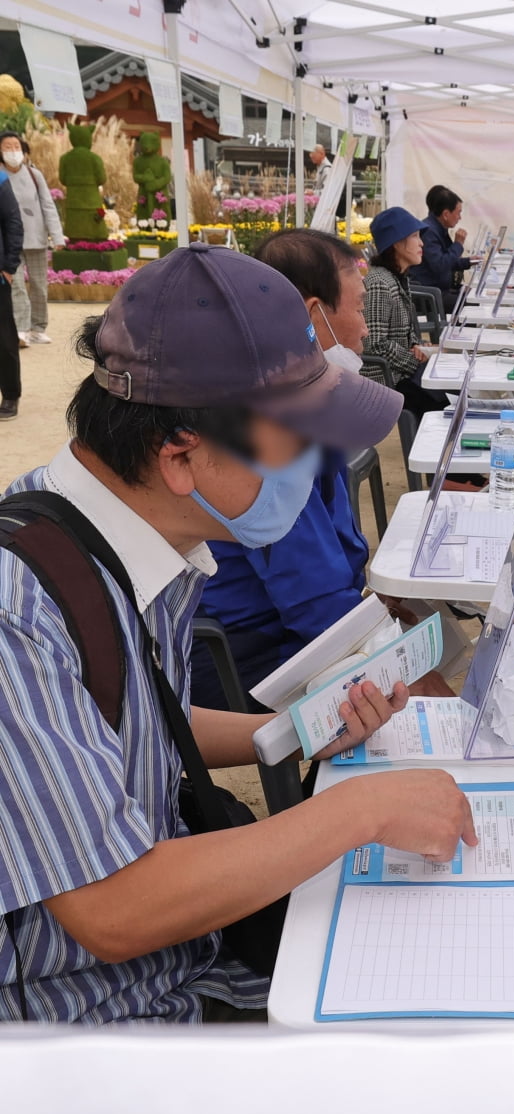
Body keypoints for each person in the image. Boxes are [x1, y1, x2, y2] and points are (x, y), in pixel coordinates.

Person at [0, 244, 477, 1023]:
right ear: (183, 454)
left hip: (190, 962)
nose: (316, 460)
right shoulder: (18, 607)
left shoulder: (127, 535)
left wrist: (290, 728)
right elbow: (114, 908)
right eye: (297, 436)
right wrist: (357, 812)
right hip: (93, 1026)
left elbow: (127, 724)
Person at [188, 228, 371, 707]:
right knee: (390, 700)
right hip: (237, 651)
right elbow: (315, 602)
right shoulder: (267, 422)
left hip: (270, 625)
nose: (366, 327)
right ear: (314, 315)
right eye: (359, 308)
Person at [362, 205, 446, 418]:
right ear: (397, 243)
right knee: (448, 403)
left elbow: (399, 335)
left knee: (456, 390)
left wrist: (418, 348)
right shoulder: (379, 282)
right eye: (416, 236)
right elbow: (375, 344)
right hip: (391, 380)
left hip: (403, 372)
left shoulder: (396, 277)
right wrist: (415, 359)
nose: (421, 243)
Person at [0, 134, 63, 346]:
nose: (12, 150)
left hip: (36, 238)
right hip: (10, 243)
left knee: (39, 285)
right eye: (7, 147)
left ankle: (38, 327)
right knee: (16, 285)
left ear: (23, 149)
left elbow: (48, 205)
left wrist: (57, 235)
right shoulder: (0, 176)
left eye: (16, 146)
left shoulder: (34, 175)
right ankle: (21, 329)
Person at [409, 184, 467, 312]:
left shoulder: (438, 228)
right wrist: (458, 244)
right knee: (468, 304)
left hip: (437, 289)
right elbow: (440, 265)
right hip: (429, 294)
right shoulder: (429, 232)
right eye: (458, 213)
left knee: (469, 295)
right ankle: (457, 332)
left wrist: (469, 262)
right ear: (446, 214)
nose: (459, 218)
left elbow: (446, 258)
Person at [0, 170, 21, 421]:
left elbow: (13, 222)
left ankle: (11, 394)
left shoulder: (1, 180)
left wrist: (8, 266)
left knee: (3, 337)